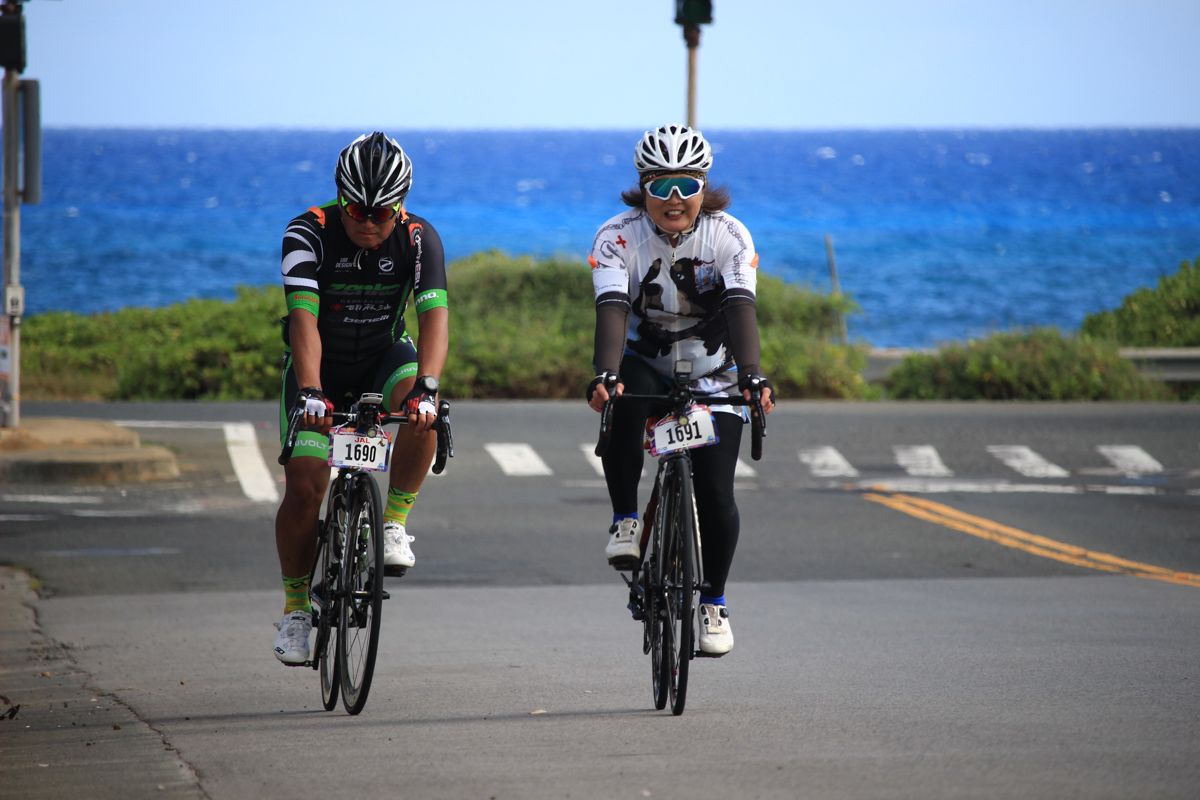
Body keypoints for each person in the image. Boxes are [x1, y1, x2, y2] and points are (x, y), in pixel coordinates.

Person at [586, 124, 775, 657]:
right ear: (643, 185)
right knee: (623, 395)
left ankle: (713, 601)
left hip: (716, 370)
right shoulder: (616, 237)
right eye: (662, 185)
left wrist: (754, 375)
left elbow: (740, 305)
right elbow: (613, 309)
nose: (674, 199)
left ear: (703, 187)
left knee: (716, 492)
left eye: (686, 186)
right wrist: (604, 373)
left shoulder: (729, 236)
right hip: (647, 361)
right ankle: (626, 520)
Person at [272, 132, 449, 664]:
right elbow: (303, 321)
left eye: (383, 212)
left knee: (426, 413)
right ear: (340, 198)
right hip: (318, 365)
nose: (369, 222)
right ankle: (297, 609)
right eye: (357, 209)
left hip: (383, 359)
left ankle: (393, 520)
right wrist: (310, 393)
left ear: (401, 206)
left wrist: (428, 388)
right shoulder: (309, 232)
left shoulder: (420, 239)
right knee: (306, 488)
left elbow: (434, 317)